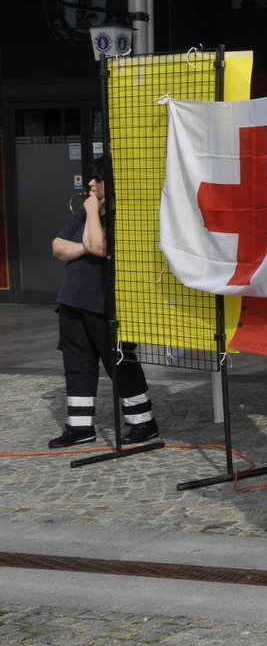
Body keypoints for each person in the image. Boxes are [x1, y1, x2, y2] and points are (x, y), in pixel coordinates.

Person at [48, 158, 159, 447]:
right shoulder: (88, 214)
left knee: (119, 362)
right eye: (91, 179)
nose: (90, 184)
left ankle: (143, 422)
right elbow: (58, 247)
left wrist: (91, 217)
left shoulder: (122, 215)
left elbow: (100, 247)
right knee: (77, 362)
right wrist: (86, 240)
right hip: (72, 299)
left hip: (106, 304)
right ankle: (80, 426)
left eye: (98, 179)